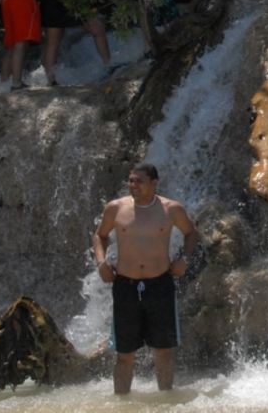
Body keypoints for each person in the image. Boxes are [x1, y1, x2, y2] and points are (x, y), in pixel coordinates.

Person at [92, 163, 199, 395]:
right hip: (125, 286)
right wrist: (101, 263)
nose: (133, 186)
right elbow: (100, 236)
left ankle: (166, 403)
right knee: (124, 355)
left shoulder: (172, 209)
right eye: (130, 181)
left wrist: (185, 260)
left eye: (139, 181)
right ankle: (121, 405)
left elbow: (191, 234)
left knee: (163, 352)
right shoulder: (115, 208)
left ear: (154, 183)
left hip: (159, 284)